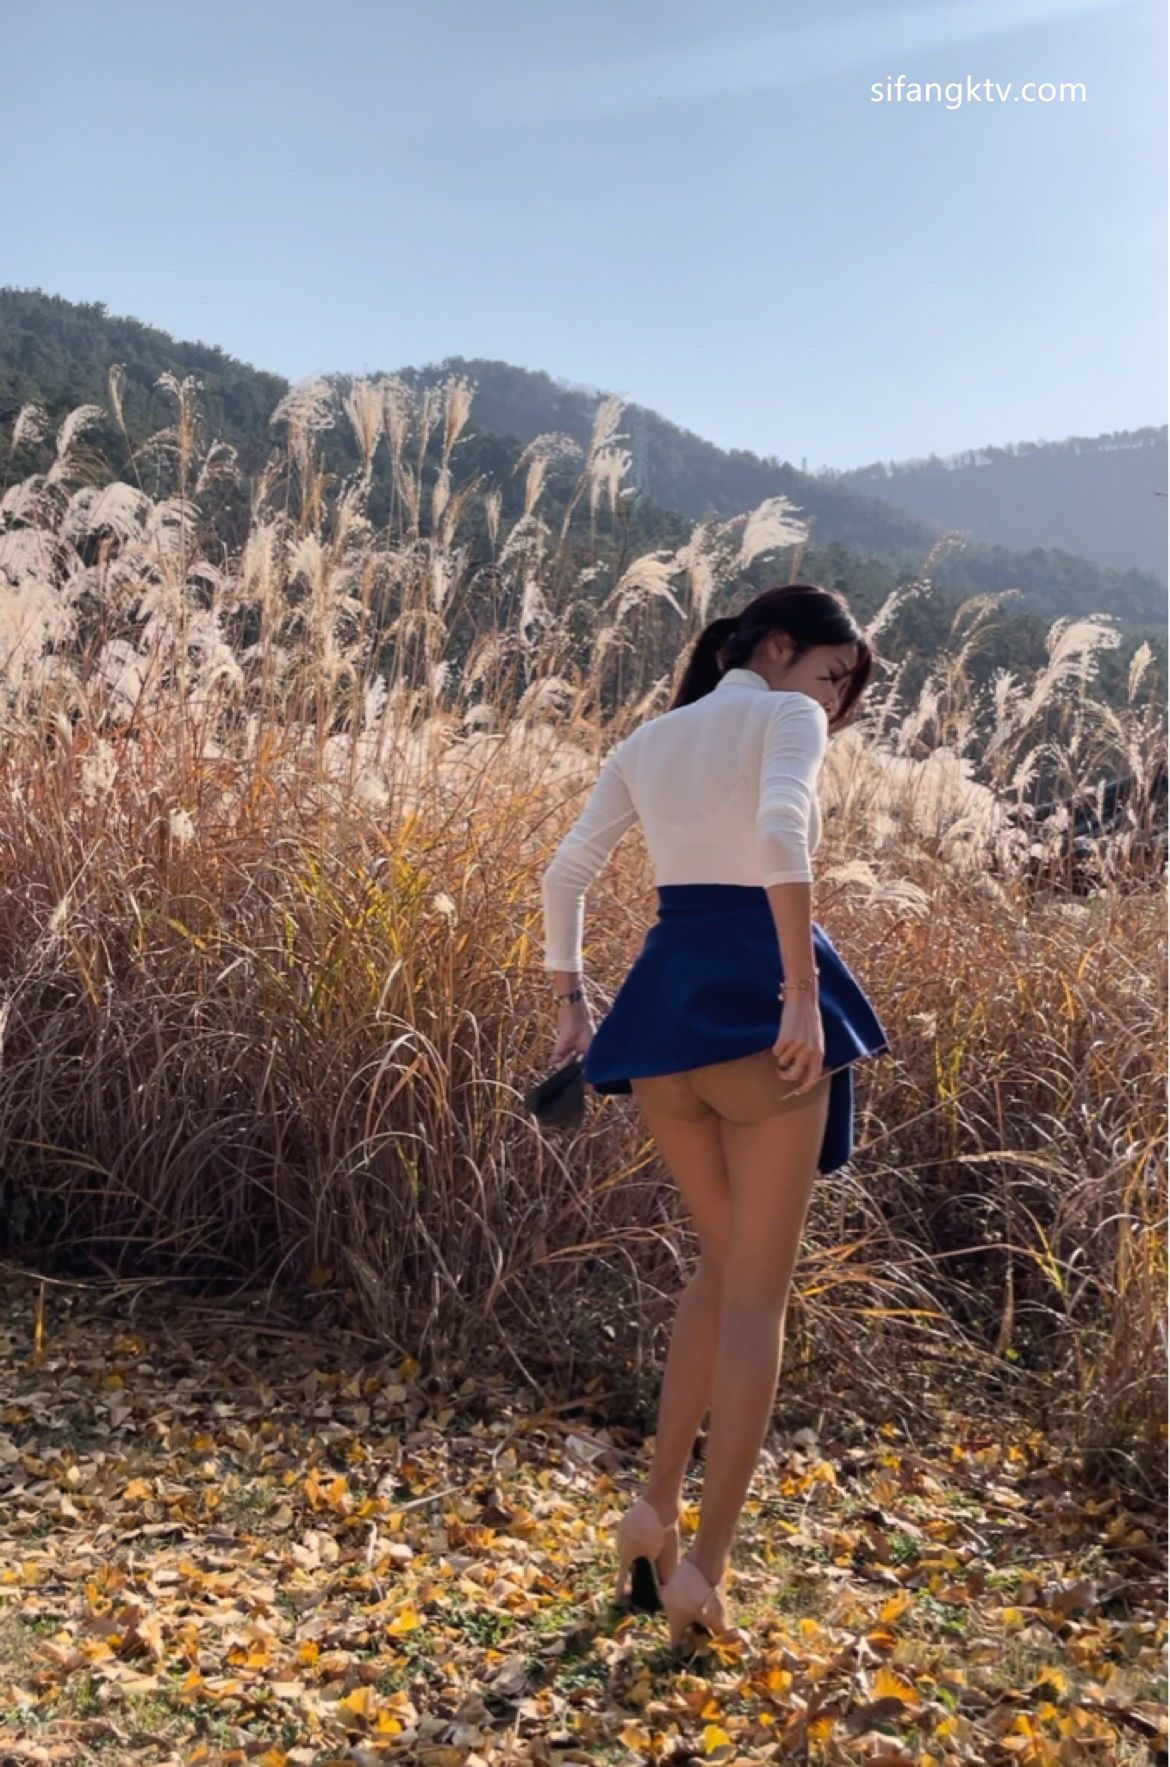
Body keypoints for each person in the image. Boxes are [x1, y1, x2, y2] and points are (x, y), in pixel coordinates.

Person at [539, 582, 892, 1655]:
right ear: (777, 646)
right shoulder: (782, 719)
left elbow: (567, 871)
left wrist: (572, 1003)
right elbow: (782, 829)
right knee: (758, 1299)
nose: (830, 705)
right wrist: (800, 993)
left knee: (721, 1266)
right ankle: (704, 1571)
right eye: (831, 676)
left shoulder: (652, 739)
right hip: (756, 1011)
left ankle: (651, 1513)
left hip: (665, 1023)